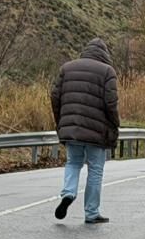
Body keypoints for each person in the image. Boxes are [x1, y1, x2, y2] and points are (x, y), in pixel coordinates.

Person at [50, 37, 120, 224]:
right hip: (96, 132)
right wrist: (115, 124)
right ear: (105, 55)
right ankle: (91, 213)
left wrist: (61, 121)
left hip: (71, 126)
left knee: (73, 163)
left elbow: (55, 96)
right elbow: (111, 103)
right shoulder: (107, 71)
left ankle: (69, 193)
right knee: (95, 170)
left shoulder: (66, 68)